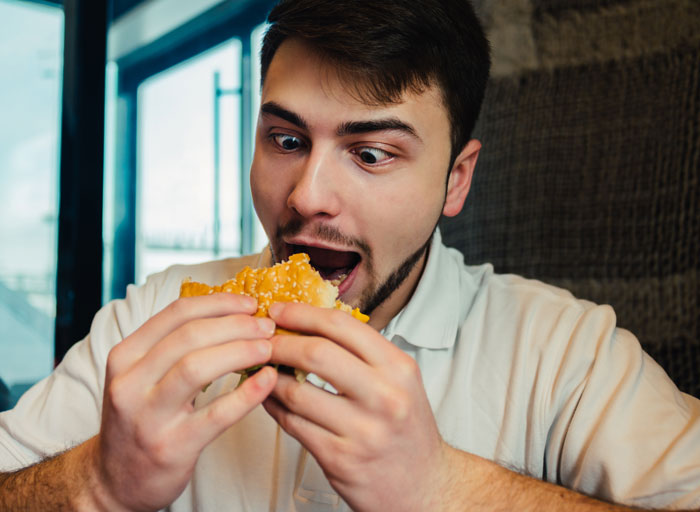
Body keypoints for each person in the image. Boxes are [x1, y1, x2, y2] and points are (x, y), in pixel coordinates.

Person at [1, 0, 699, 510]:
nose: (307, 197)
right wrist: (96, 482)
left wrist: (444, 488)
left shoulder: (567, 354)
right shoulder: (153, 316)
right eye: (286, 140)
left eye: (370, 154)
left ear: (456, 179)